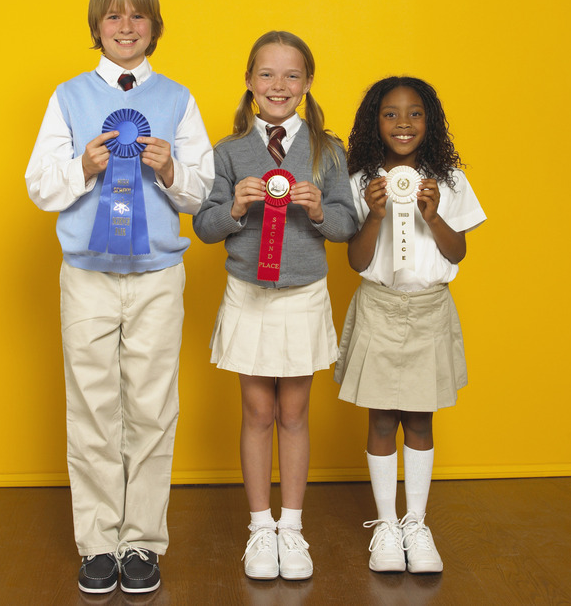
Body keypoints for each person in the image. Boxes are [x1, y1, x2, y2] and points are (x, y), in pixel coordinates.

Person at [25, 0, 214, 595]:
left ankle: (142, 544)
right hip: (86, 275)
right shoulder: (68, 97)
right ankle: (98, 542)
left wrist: (170, 169)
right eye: (114, 17)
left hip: (159, 274)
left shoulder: (179, 99)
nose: (126, 27)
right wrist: (82, 165)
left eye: (138, 17)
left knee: (153, 406)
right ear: (96, 29)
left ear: (154, 28)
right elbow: (38, 185)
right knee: (93, 407)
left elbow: (203, 190)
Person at [193, 31, 357, 581]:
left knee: (294, 413)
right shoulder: (229, 151)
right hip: (248, 293)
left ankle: (292, 527)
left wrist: (317, 213)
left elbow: (348, 225)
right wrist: (236, 206)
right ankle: (260, 527)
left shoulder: (329, 150)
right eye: (267, 74)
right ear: (249, 81)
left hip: (304, 294)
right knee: (258, 412)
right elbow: (205, 228)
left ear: (307, 84)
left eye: (291, 76)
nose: (278, 86)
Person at [335, 76, 486, 574]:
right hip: (379, 306)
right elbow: (357, 261)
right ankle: (385, 526)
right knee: (380, 418)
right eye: (391, 114)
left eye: (415, 113)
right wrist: (375, 216)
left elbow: (457, 250)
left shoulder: (450, 181)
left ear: (431, 121)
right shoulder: (360, 182)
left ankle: (416, 525)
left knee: (420, 418)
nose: (403, 123)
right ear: (374, 122)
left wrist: (435, 215)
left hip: (428, 311)